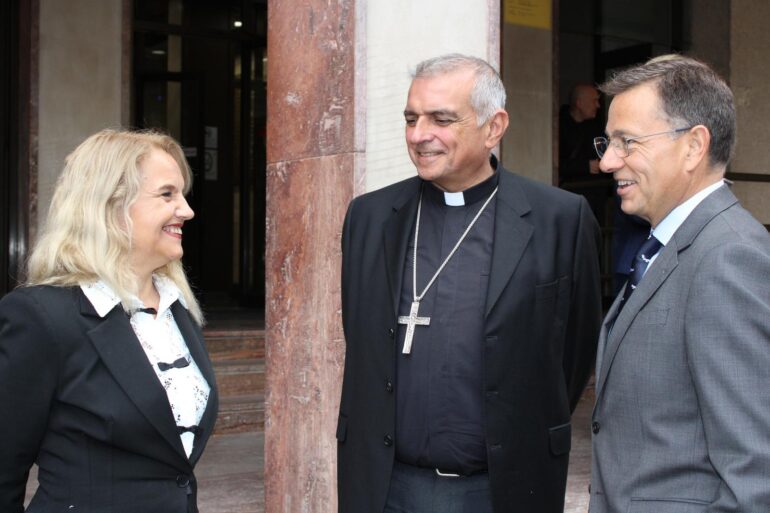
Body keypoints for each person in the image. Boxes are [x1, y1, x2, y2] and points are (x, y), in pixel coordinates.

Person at [337, 54, 602, 513]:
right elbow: (360, 337)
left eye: (441, 119)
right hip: (385, 486)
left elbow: (573, 353)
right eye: (411, 119)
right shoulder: (370, 217)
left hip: (501, 487)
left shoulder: (560, 219)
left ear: (494, 126)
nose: (420, 135)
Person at [0, 129, 218, 513]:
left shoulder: (177, 309)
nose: (187, 210)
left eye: (182, 194)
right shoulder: (40, 317)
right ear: (110, 205)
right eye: (167, 194)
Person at [590, 55, 770, 512]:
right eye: (607, 143)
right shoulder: (667, 244)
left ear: (693, 147)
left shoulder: (729, 257)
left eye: (627, 142)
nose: (609, 162)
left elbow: (753, 472)